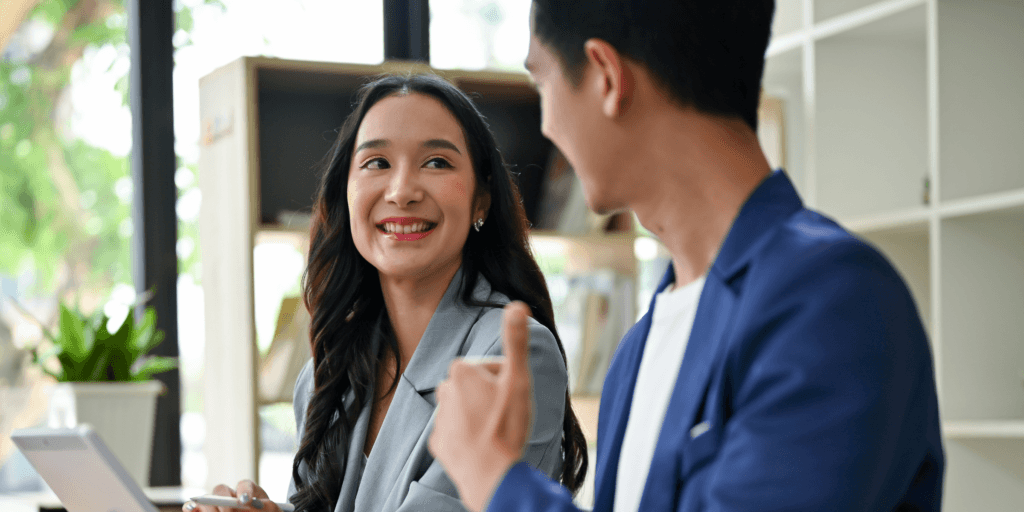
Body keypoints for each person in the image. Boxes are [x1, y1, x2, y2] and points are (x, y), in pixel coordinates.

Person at [427, 1, 945, 511]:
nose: (547, 126)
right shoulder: (636, 350)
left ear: (607, 77)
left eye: (542, 83)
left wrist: (495, 478)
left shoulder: (833, 301)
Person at [184, 74, 587, 512]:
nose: (401, 192)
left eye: (436, 162)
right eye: (376, 162)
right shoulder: (327, 370)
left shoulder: (513, 356)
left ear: (482, 199)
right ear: (347, 190)